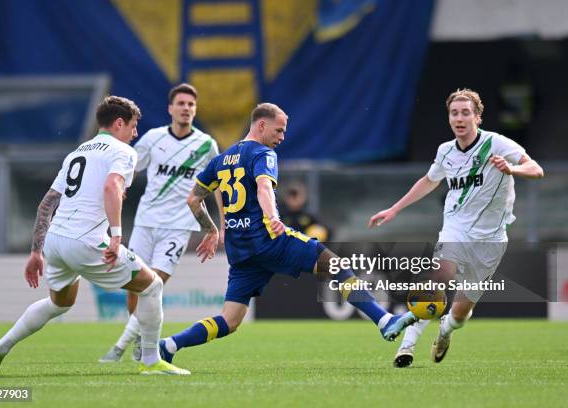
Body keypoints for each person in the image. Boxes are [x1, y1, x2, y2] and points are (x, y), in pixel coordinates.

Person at [155, 103, 417, 368]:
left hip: (240, 250)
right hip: (268, 239)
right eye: (279, 130)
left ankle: (169, 345)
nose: (282, 137)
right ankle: (384, 321)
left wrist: (211, 229)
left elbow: (192, 199)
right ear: (261, 125)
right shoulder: (263, 153)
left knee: (230, 319)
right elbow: (264, 188)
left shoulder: (220, 160)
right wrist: (273, 217)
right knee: (338, 265)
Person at [0, 96, 190, 375]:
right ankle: (151, 361)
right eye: (133, 126)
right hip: (88, 240)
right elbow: (111, 187)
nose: (135, 133)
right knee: (152, 287)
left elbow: (47, 203)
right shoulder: (124, 151)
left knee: (60, 302)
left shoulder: (78, 152)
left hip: (55, 241)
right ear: (119, 123)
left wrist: (35, 252)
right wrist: (116, 236)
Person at [368, 88, 544, 368]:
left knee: (460, 314)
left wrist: (513, 170)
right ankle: (407, 346)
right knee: (438, 280)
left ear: (477, 117)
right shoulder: (445, 151)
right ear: (449, 117)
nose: (459, 118)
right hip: (455, 229)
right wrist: (394, 208)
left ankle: (445, 332)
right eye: (454, 113)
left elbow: (536, 169)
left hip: (491, 239)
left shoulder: (496, 144)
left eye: (465, 113)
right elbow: (429, 180)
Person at [99, 83, 222, 363]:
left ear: (195, 109)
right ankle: (141, 336)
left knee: (153, 282)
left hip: (179, 226)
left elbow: (216, 186)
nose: (186, 109)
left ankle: (120, 347)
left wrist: (219, 224)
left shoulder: (206, 144)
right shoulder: (152, 139)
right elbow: (128, 169)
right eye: (181, 103)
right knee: (134, 285)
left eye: (191, 105)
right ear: (170, 108)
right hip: (145, 222)